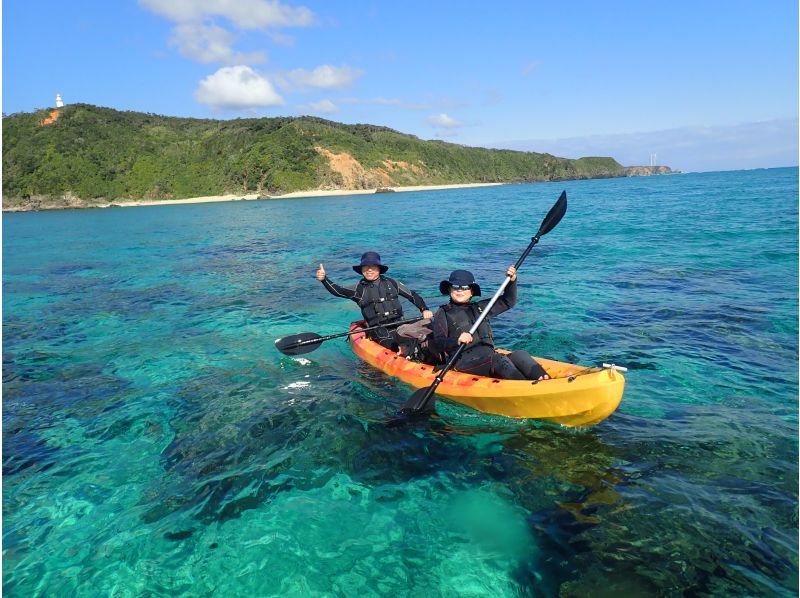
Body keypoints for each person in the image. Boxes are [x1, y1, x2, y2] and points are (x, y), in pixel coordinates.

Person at [431, 267, 550, 380]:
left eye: (465, 287)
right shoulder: (443, 313)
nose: (460, 290)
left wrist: (512, 281)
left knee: (519, 354)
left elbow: (508, 301)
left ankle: (545, 381)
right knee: (497, 359)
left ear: (471, 292)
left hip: (488, 357)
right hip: (464, 363)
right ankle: (524, 387)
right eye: (456, 286)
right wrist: (457, 339)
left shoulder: (480, 308)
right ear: (449, 289)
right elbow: (439, 342)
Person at [316, 251, 433, 352]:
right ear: (361, 270)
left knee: (429, 327)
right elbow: (338, 291)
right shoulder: (358, 289)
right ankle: (401, 350)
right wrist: (324, 279)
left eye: (373, 266)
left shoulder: (392, 283)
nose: (369, 270)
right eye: (366, 267)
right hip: (378, 328)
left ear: (379, 269)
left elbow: (412, 295)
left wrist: (424, 309)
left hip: (399, 323)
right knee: (390, 340)